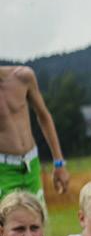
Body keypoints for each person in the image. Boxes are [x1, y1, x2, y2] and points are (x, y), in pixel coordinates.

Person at [0, 65, 69, 202]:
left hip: (31, 165)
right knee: (9, 222)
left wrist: (59, 163)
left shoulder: (23, 76)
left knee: (38, 220)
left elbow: (44, 116)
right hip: (3, 172)